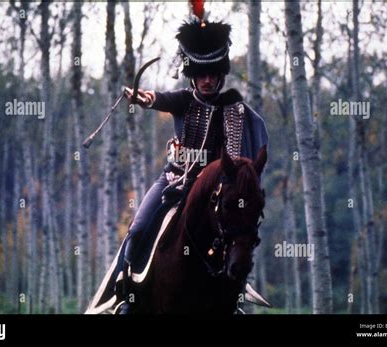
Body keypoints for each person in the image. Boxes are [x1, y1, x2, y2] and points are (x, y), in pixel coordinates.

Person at [87, 19, 269, 314]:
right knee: (137, 229)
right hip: (174, 181)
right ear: (191, 76)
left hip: (213, 191)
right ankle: (126, 294)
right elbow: (156, 98)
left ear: (220, 75)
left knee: (234, 234)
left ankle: (233, 299)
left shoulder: (234, 112)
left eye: (212, 74)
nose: (207, 80)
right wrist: (142, 97)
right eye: (201, 75)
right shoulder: (183, 100)